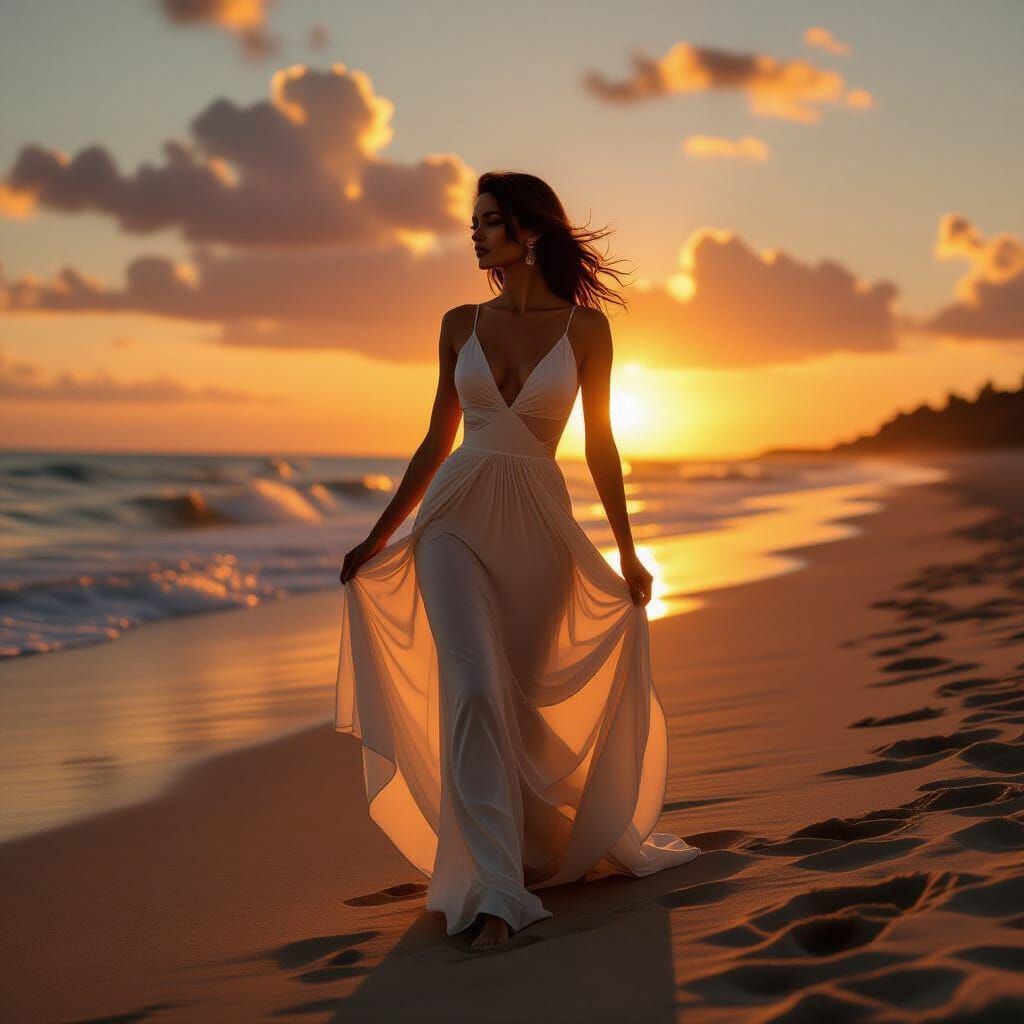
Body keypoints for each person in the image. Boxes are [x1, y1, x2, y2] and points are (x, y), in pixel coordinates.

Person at [336, 171, 701, 951]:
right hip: (453, 523)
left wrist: (629, 552)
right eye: (473, 222)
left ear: (529, 232)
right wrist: (377, 537)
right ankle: (496, 893)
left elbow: (602, 445)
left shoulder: (587, 331)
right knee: (472, 690)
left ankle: (527, 854)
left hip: (539, 531)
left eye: (490, 221)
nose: (475, 234)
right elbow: (437, 442)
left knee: (520, 709)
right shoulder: (457, 322)